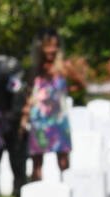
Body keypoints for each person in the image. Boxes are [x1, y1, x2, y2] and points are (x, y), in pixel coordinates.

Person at [21, 28, 73, 181]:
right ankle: (36, 194)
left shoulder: (63, 68)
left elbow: (81, 84)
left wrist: (61, 95)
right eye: (48, 46)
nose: (53, 50)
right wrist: (24, 118)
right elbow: (29, 95)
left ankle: (68, 189)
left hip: (58, 119)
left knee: (63, 160)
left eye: (56, 46)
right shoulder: (34, 71)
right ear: (40, 48)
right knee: (37, 161)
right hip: (39, 120)